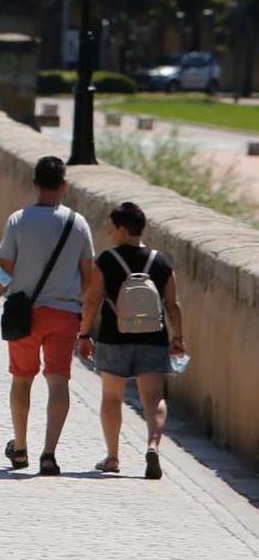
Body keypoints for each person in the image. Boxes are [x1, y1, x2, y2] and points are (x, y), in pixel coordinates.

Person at [0, 156, 94, 476]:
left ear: (35, 185)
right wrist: (77, 303)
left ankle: (20, 448)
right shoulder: (78, 224)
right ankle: (49, 454)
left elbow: (2, 272)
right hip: (65, 313)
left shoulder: (19, 220)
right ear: (64, 186)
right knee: (58, 382)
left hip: (24, 313)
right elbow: (89, 275)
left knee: (22, 380)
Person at [80, 202, 184, 480]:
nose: (109, 232)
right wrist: (178, 337)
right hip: (153, 339)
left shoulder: (107, 260)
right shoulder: (161, 262)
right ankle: (152, 446)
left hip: (115, 338)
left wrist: (84, 333)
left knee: (112, 398)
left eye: (112, 228)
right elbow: (173, 305)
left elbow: (92, 300)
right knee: (154, 397)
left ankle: (113, 457)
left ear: (123, 230)